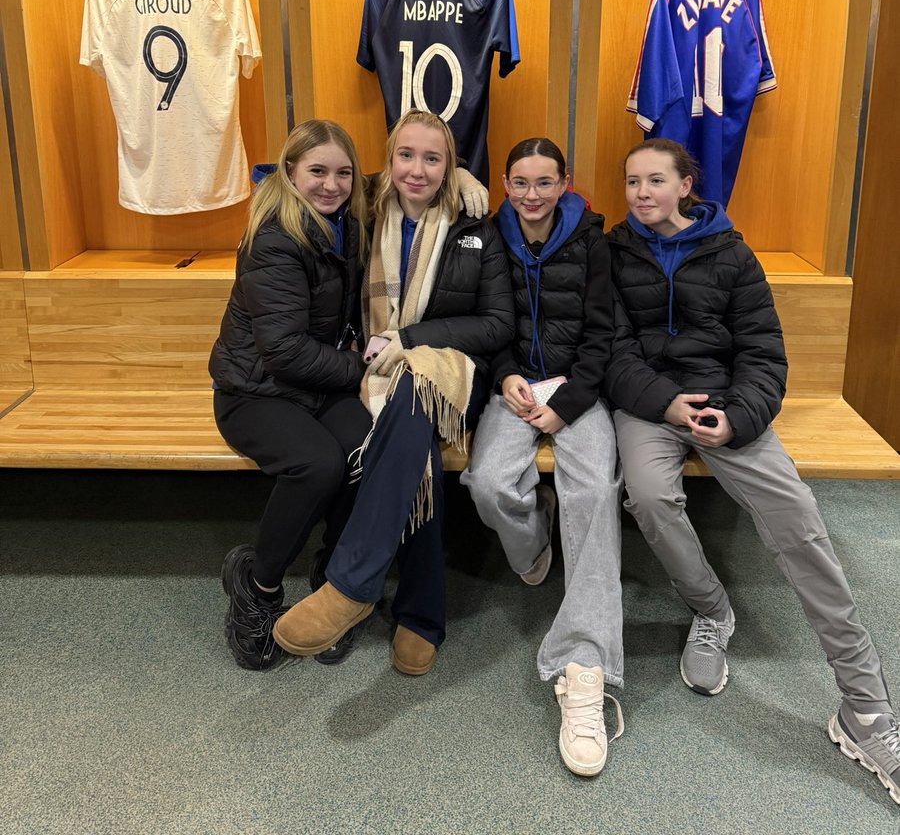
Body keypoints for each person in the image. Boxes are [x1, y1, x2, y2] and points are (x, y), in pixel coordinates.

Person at [607, 136, 899, 806]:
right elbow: (612, 351)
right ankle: (712, 609)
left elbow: (764, 354)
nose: (642, 193)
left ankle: (865, 709)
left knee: (797, 519)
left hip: (726, 406)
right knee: (647, 496)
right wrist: (663, 401)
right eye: (632, 181)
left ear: (686, 185)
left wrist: (737, 417)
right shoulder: (612, 253)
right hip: (649, 404)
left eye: (656, 180)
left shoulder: (731, 254)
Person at [272, 108, 514, 675]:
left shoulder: (475, 226)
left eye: (434, 159)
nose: (418, 170)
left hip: (456, 371)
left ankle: (351, 584)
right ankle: (421, 615)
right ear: (388, 160)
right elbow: (290, 177)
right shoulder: (362, 212)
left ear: (450, 167)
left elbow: (498, 324)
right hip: (379, 369)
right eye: (406, 155)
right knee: (414, 439)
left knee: (414, 394)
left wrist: (409, 340)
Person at [462, 137, 624, 778]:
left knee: (595, 493)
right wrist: (505, 375)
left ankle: (584, 666)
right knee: (488, 483)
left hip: (580, 390)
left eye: (545, 182)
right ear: (506, 184)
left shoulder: (592, 241)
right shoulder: (487, 237)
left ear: (565, 183)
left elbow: (602, 334)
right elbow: (488, 321)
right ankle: (534, 548)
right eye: (521, 183)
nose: (532, 195)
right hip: (517, 386)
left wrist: (571, 403)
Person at [210, 119, 372, 671]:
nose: (331, 184)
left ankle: (334, 586)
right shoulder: (276, 237)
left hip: (315, 384)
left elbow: (408, 176)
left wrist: (463, 179)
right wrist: (359, 370)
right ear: (289, 171)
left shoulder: (344, 219)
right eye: (317, 171)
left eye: (344, 173)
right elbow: (283, 351)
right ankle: (257, 587)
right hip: (255, 390)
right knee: (318, 465)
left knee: (366, 449)